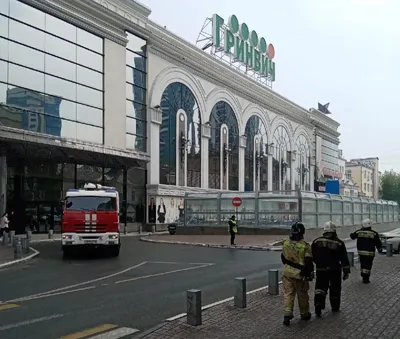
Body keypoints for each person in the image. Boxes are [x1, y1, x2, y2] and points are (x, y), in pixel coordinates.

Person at [312, 221, 351, 317]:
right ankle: (335, 307)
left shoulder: (316, 241)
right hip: (335, 269)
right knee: (335, 288)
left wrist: (318, 263)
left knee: (320, 288)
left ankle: (318, 304)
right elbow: (344, 258)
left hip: (321, 269)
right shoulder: (339, 243)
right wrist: (346, 271)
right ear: (334, 231)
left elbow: (312, 255)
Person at [281, 222, 314, 326]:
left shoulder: (286, 243)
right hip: (300, 275)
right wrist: (309, 273)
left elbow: (283, 258)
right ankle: (304, 314)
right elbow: (308, 261)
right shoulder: (305, 246)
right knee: (302, 295)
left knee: (288, 294)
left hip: (287, 273)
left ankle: (287, 314)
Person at [350, 219, 382, 284]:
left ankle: (363, 275)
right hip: (370, 253)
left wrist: (355, 231)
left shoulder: (358, 232)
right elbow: (378, 243)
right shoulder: (374, 233)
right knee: (368, 265)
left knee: (363, 264)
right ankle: (366, 278)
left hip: (361, 252)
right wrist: (379, 248)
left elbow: (352, 236)